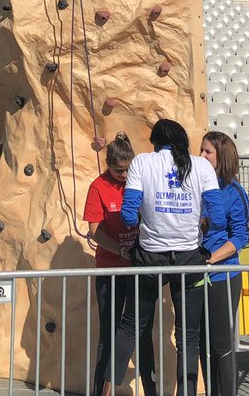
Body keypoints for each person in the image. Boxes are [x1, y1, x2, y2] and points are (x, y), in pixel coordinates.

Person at [104, 119, 226, 396]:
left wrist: (148, 220)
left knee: (130, 327)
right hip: (189, 259)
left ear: (155, 141)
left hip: (148, 258)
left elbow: (126, 216)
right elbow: (219, 219)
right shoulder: (202, 166)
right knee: (189, 336)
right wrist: (198, 222)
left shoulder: (142, 163)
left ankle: (106, 390)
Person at [82, 133, 155, 396]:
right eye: (118, 171)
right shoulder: (98, 187)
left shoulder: (140, 181)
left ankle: (151, 388)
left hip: (139, 266)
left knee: (143, 332)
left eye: (128, 170)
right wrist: (121, 251)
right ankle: (99, 390)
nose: (124, 176)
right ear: (107, 164)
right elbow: (95, 230)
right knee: (109, 333)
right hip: (111, 267)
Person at [199, 132, 249, 396]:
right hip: (196, 275)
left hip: (222, 276)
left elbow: (240, 236)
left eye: (208, 152)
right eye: (201, 150)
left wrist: (211, 258)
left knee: (221, 345)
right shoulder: (195, 185)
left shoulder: (234, 192)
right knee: (202, 343)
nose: (202, 156)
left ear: (222, 157)